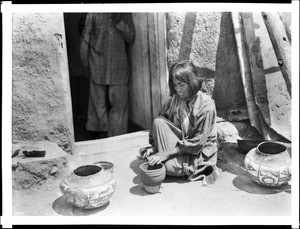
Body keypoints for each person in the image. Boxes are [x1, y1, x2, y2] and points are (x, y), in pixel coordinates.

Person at [139, 60, 220, 185]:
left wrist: (167, 153)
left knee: (167, 168)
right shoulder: (175, 99)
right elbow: (162, 125)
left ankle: (182, 164)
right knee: (158, 122)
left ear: (192, 83)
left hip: (197, 151)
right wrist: (154, 146)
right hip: (181, 142)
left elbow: (197, 143)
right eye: (175, 85)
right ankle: (162, 154)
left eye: (181, 85)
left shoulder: (206, 107)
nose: (177, 89)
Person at [80, 13, 135, 138]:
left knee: (119, 103)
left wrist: (120, 23)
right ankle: (100, 133)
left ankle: (116, 137)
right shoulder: (93, 13)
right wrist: (85, 63)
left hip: (118, 65)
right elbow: (85, 38)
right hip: (97, 64)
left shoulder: (125, 14)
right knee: (97, 104)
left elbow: (131, 37)